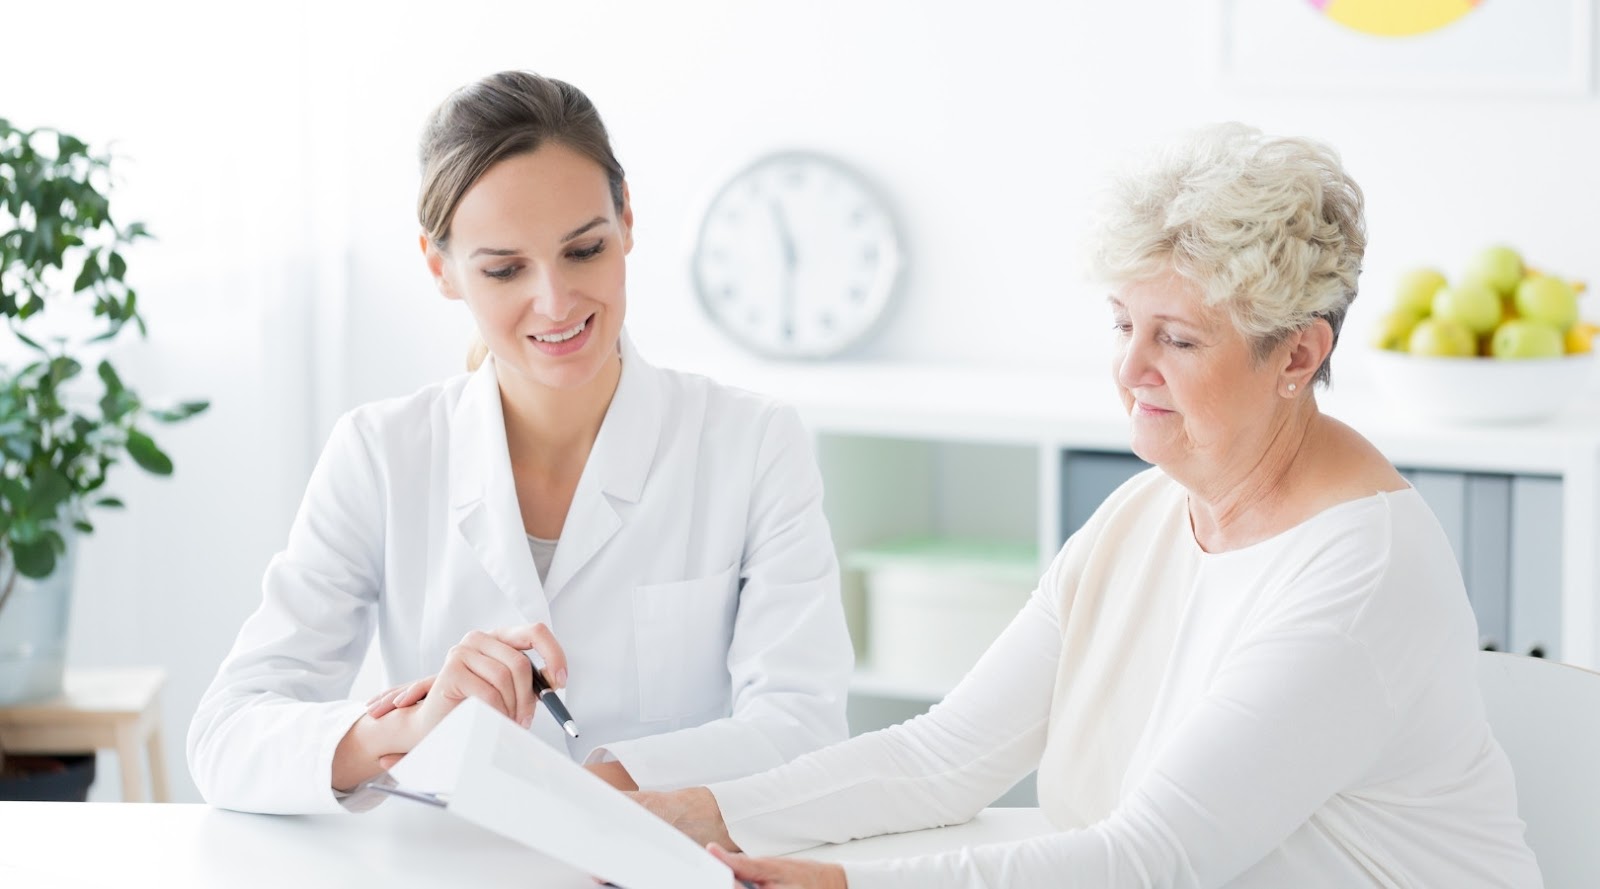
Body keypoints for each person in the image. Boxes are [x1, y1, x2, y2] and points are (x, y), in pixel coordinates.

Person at [633, 124, 1543, 887]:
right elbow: (942, 756)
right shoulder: (1145, 513)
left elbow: (1149, 858)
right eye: (1123, 323)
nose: (1131, 369)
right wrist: (702, 810)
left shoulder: (1360, 572)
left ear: (1298, 357)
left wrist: (841, 883)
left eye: (1178, 339)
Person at [187, 70, 853, 814]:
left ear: (626, 218)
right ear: (441, 268)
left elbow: (805, 728)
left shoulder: (752, 443)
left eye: (583, 250)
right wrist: (414, 725)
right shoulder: (381, 454)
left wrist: (563, 798)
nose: (556, 301)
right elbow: (227, 736)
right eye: (505, 268)